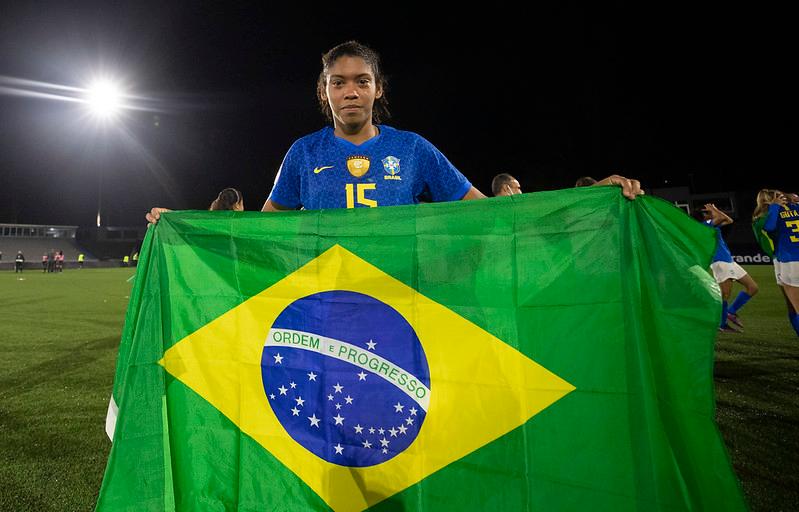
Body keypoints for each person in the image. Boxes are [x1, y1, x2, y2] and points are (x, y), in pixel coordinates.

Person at [147, 41, 642, 223]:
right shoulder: (302, 153)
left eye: (361, 81)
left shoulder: (412, 149)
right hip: (324, 302)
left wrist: (588, 198)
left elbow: (489, 212)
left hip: (404, 299)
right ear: (324, 93)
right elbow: (262, 230)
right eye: (337, 83)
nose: (350, 92)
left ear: (378, 88)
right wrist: (183, 226)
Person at [701, 203, 759, 332]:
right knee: (725, 294)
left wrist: (714, 211)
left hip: (729, 262)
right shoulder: (705, 226)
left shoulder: (712, 225)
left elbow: (729, 220)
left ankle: (731, 312)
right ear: (705, 216)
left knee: (753, 287)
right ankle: (721, 324)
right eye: (708, 213)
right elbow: (721, 218)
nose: (712, 214)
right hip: (720, 262)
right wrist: (714, 209)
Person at [762, 191, 799, 337]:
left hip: (790, 262)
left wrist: (774, 207)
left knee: (795, 308)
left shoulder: (774, 211)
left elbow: (769, 228)